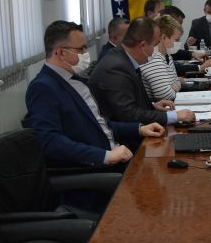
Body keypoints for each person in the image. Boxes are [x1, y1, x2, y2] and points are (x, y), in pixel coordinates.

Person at [26, 20, 165, 168]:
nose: (86, 54)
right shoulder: (43, 87)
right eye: (81, 49)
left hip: (116, 153)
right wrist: (106, 156)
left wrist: (139, 129)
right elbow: (50, 141)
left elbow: (100, 125)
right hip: (93, 167)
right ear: (61, 53)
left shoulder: (76, 80)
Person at [88, 17, 196, 126]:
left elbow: (131, 104)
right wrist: (174, 116)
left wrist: (152, 106)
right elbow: (128, 114)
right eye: (155, 45)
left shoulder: (125, 58)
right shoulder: (116, 68)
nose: (156, 50)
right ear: (143, 45)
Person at [140, 15, 184, 102]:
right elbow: (166, 96)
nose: (179, 43)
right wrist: (175, 85)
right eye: (176, 39)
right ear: (163, 38)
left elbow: (176, 82)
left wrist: (174, 85)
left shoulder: (167, 56)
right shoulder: (153, 59)